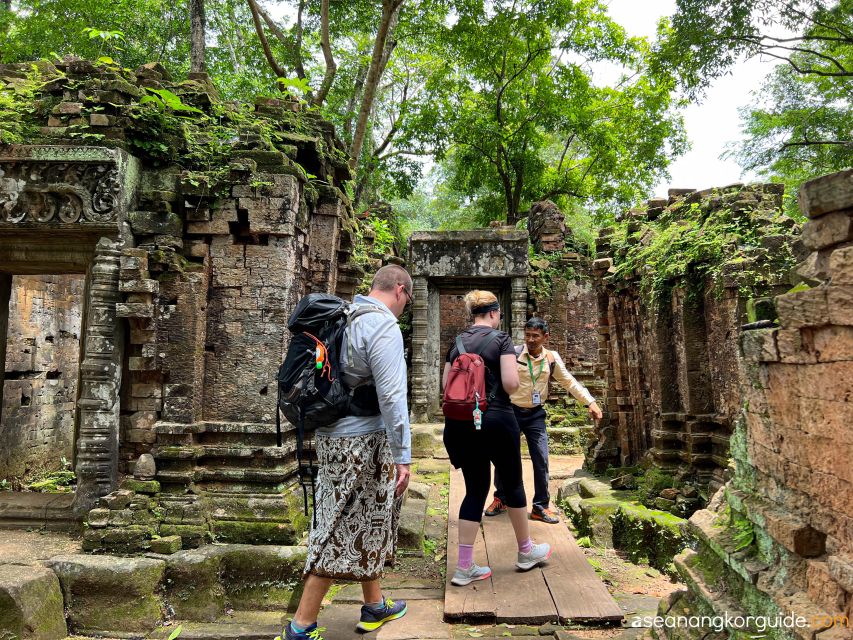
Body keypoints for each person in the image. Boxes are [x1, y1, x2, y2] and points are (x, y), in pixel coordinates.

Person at [285, 264, 413, 640]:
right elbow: (392, 397)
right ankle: (302, 625)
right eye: (406, 299)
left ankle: (374, 605)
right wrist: (403, 454)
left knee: (369, 516)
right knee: (339, 525)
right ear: (401, 290)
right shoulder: (383, 325)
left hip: (332, 436)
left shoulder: (345, 316)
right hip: (363, 442)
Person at [442, 290, 552, 587]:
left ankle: (464, 566)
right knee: (513, 483)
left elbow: (446, 385)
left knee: (475, 490)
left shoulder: (457, 342)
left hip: (463, 424)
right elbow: (510, 382)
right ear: (494, 312)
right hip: (497, 420)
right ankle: (526, 551)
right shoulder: (501, 340)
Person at [485, 317, 603, 523]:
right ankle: (501, 498)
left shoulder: (551, 358)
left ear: (545, 337)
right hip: (511, 412)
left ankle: (540, 506)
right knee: (504, 457)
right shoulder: (512, 353)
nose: (530, 340)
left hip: (535, 414)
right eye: (528, 335)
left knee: (541, 458)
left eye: (535, 336)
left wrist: (590, 402)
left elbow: (568, 381)